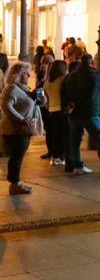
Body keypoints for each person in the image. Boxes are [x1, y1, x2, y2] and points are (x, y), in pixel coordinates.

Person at [61, 53, 100, 174]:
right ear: (91, 62)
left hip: (74, 113)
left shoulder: (69, 76)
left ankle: (77, 165)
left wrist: (69, 105)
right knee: (99, 138)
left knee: (75, 140)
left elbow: (63, 92)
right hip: (90, 112)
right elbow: (92, 94)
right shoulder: (93, 75)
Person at [2, 62, 42, 195]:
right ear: (18, 75)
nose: (29, 75)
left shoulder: (24, 89)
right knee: (16, 157)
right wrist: (21, 119)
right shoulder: (12, 88)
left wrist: (39, 98)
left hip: (24, 128)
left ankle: (17, 183)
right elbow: (6, 106)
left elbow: (29, 104)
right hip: (15, 129)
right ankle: (14, 184)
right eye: (25, 73)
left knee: (18, 156)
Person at [42, 60, 68, 166]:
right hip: (62, 110)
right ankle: (61, 156)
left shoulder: (47, 82)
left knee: (55, 135)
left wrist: (49, 107)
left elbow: (45, 99)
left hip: (52, 110)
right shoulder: (63, 80)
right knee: (63, 135)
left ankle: (55, 156)